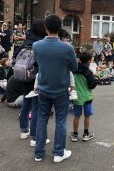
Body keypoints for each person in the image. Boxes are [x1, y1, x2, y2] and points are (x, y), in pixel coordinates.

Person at [33, 15, 77, 163]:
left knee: (41, 119)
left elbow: (38, 64)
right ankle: (58, 153)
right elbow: (74, 68)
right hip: (61, 90)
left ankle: (38, 153)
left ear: (45, 28)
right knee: (61, 121)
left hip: (43, 88)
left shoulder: (37, 45)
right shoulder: (67, 48)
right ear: (60, 28)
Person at [71, 52, 98, 142]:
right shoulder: (88, 72)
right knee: (87, 116)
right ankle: (86, 134)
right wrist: (96, 80)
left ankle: (75, 134)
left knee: (76, 116)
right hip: (87, 97)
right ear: (89, 61)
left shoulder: (74, 70)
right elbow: (92, 85)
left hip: (76, 97)